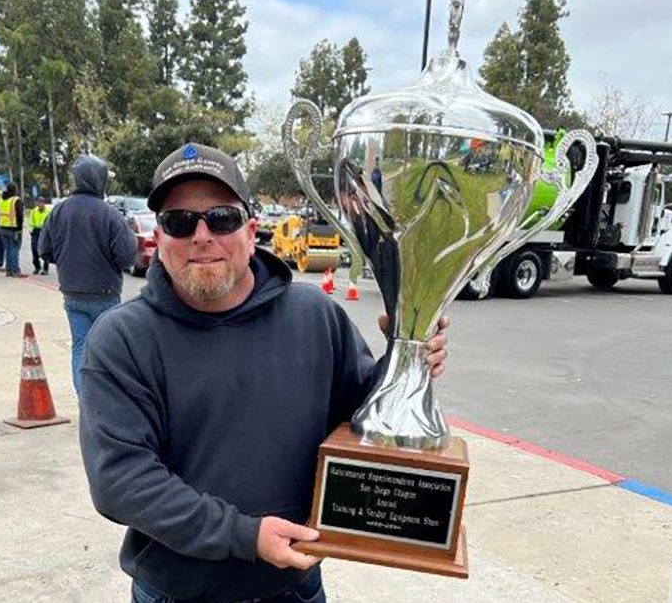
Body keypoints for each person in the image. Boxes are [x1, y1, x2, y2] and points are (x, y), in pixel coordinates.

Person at [78, 143, 449, 603]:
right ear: (160, 236)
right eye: (179, 221)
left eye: (221, 218)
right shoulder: (121, 340)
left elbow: (359, 415)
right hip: (179, 592)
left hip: (294, 589)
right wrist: (244, 535)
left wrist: (407, 362)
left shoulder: (314, 316)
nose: (201, 236)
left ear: (251, 230)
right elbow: (121, 481)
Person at [38, 153, 136, 393]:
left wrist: (66, 261)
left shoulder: (59, 211)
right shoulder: (110, 214)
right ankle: (107, 400)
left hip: (72, 293)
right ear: (100, 180)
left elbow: (44, 250)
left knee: (80, 347)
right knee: (109, 349)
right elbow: (126, 255)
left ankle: (85, 401)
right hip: (105, 294)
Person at [0, 182, 26, 278]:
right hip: (14, 228)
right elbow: (20, 215)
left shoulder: (0, 200)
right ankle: (15, 270)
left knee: (8, 249)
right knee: (15, 249)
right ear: (15, 190)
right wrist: (20, 228)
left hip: (2, 227)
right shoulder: (16, 201)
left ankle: (8, 270)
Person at [30, 196, 51, 275]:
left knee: (46, 250)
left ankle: (45, 268)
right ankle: (37, 266)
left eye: (41, 202)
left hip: (45, 232)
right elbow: (31, 222)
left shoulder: (48, 211)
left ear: (44, 203)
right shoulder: (34, 211)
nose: (40, 204)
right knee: (34, 249)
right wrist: (32, 230)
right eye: (38, 202)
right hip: (36, 231)